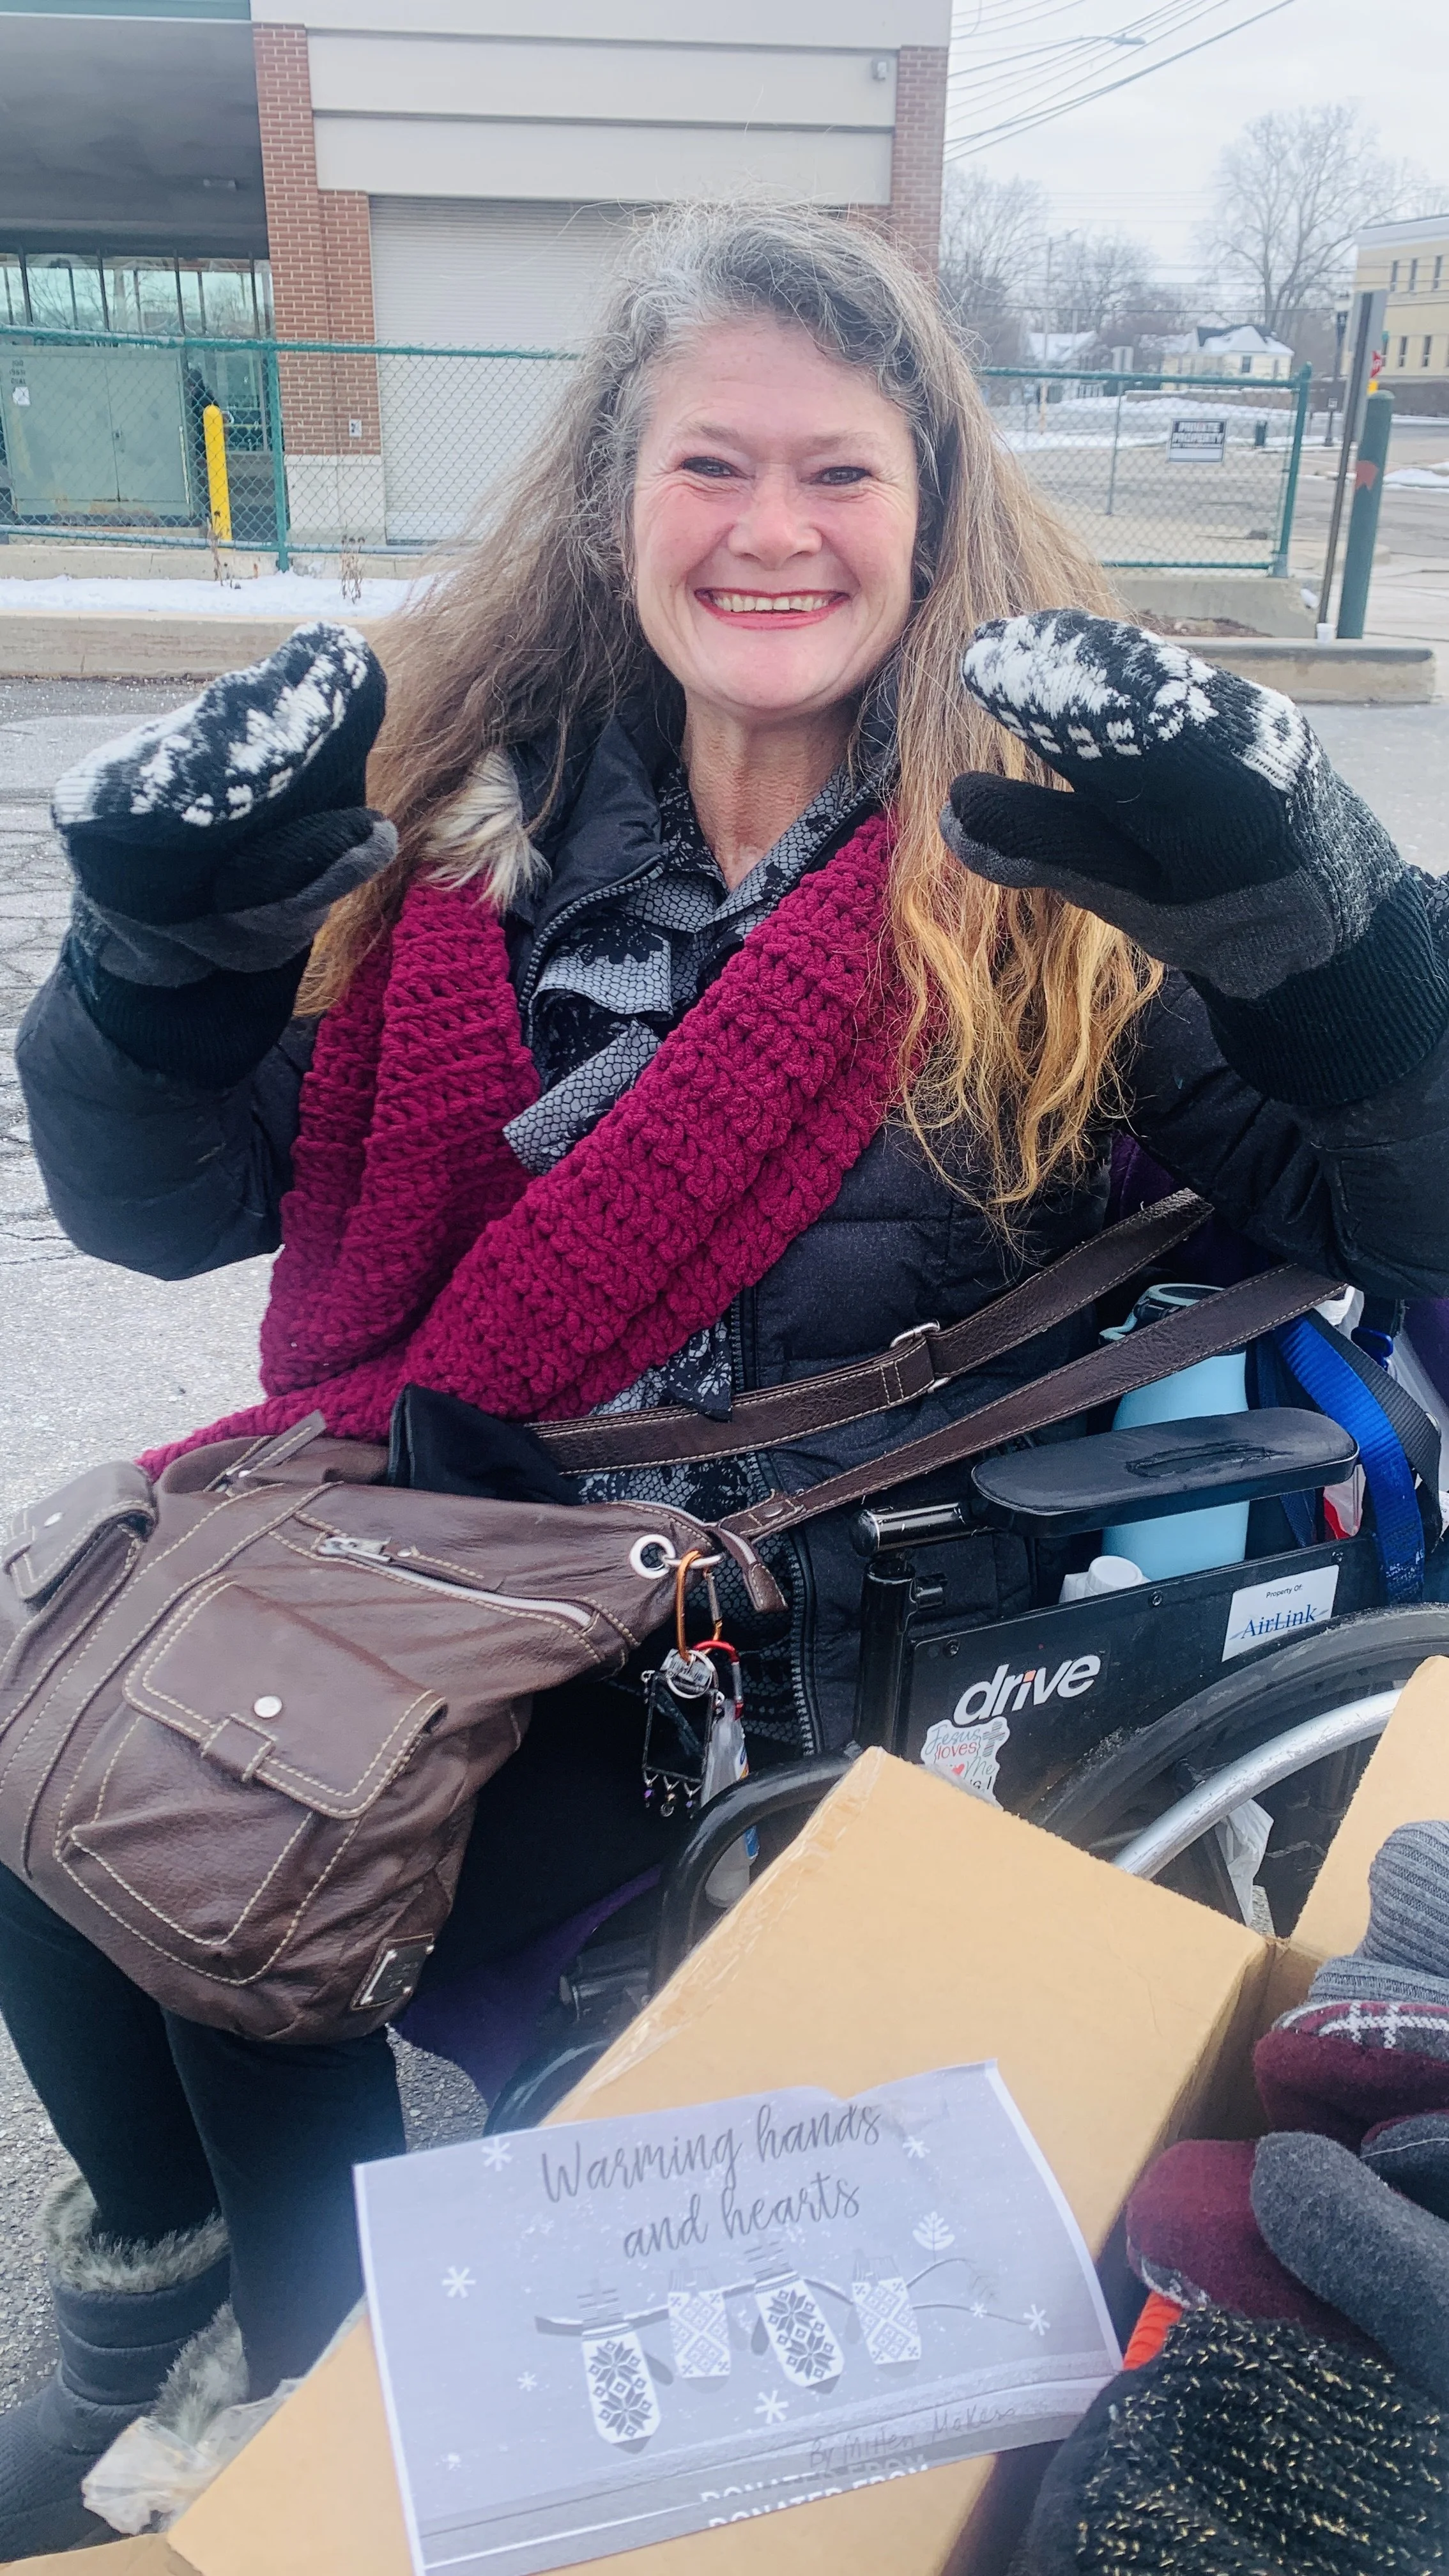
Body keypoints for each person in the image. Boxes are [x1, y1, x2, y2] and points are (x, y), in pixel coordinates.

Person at [6, 203, 1449, 2552]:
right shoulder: (462, 832)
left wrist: (1346, 966)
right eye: (709, 465)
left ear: (929, 511)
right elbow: (165, 1206)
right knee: (61, 1720)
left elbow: (1400, 1218)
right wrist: (152, 975)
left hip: (822, 1604)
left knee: (224, 1841)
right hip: (467, 1514)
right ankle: (176, 2292)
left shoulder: (1063, 860)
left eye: (838, 473)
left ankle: (308, 2407)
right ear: (610, 503)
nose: (771, 530)